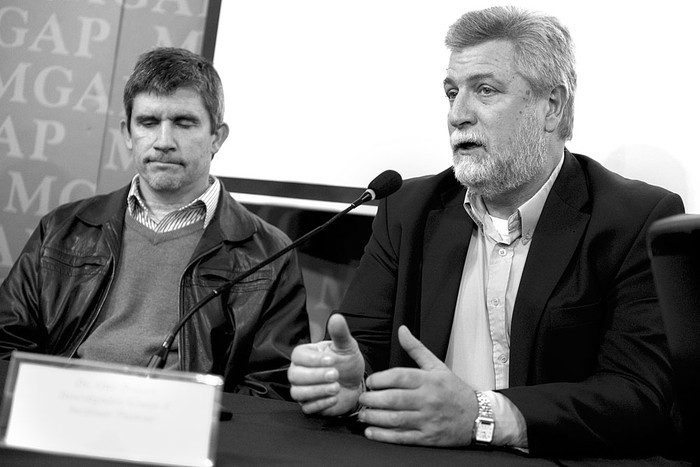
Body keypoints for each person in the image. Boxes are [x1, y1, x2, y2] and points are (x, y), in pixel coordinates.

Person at [287, 6, 685, 458]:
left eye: (485, 90)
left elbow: (638, 396)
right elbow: (365, 348)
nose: (458, 115)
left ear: (551, 107)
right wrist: (348, 381)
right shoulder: (407, 211)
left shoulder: (632, 220)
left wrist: (484, 416)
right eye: (452, 92)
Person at [0, 47, 309, 400]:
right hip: (61, 414)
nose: (163, 142)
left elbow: (269, 389)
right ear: (128, 134)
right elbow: (7, 342)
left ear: (217, 138)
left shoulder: (269, 253)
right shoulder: (62, 229)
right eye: (148, 123)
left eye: (183, 122)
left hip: (178, 436)